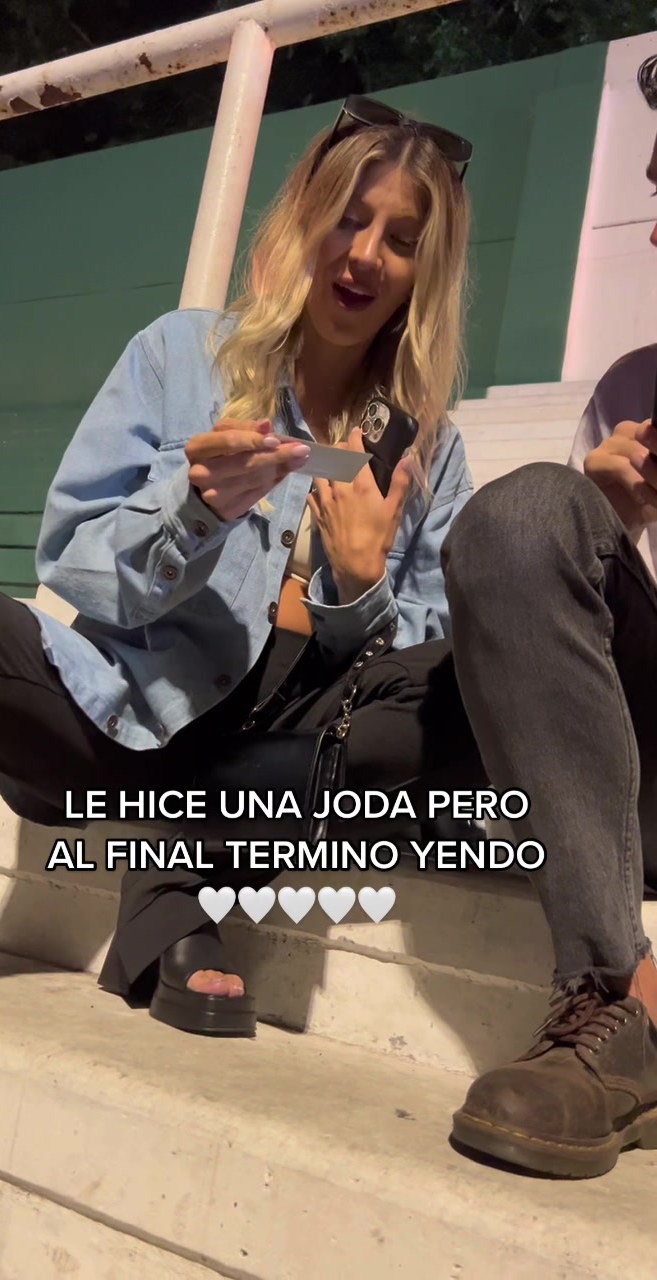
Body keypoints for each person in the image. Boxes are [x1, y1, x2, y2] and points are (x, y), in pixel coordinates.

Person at [0, 97, 482, 1038]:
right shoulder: (181, 354)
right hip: (130, 719)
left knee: (464, 693)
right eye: (348, 218)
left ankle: (170, 892)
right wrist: (191, 514)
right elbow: (71, 559)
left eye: (400, 240)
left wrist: (360, 590)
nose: (363, 256)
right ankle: (178, 888)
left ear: (421, 275)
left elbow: (422, 674)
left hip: (294, 747)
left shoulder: (433, 453)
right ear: (306, 218)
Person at [442, 53, 657, 1178]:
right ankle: (610, 990)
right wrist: (611, 515)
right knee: (522, 515)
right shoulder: (631, 387)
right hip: (625, 765)